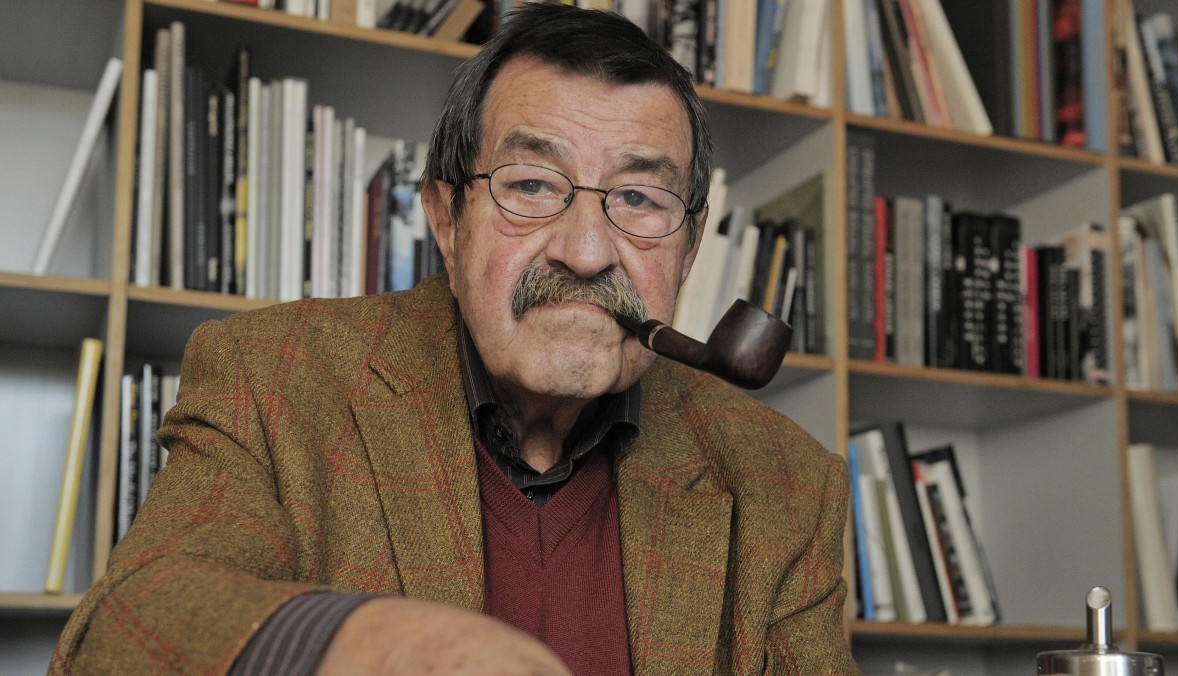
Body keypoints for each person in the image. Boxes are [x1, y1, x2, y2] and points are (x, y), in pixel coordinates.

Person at [52, 3, 858, 674]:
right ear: (446, 217)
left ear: (689, 244)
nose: (585, 251)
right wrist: (365, 646)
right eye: (532, 185)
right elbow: (119, 634)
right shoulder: (274, 380)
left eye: (641, 199)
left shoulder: (786, 486)